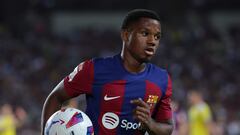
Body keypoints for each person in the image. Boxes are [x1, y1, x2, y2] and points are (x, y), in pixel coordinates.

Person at [41, 9, 173, 135]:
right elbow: (55, 97)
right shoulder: (94, 69)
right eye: (145, 33)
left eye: (157, 36)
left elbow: (167, 127)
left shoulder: (161, 79)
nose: (152, 41)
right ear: (126, 35)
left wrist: (151, 123)